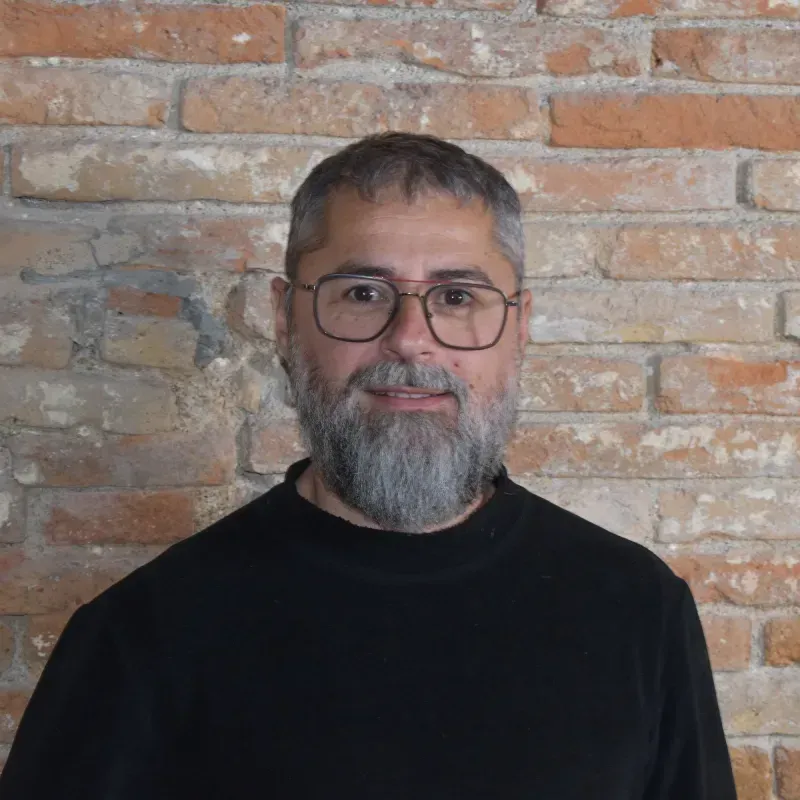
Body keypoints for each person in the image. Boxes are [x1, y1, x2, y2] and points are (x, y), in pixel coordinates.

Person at [0, 132, 737, 799]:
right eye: (362, 293)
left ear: (519, 327)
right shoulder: (139, 635)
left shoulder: (639, 609)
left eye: (456, 296)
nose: (412, 340)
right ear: (286, 319)